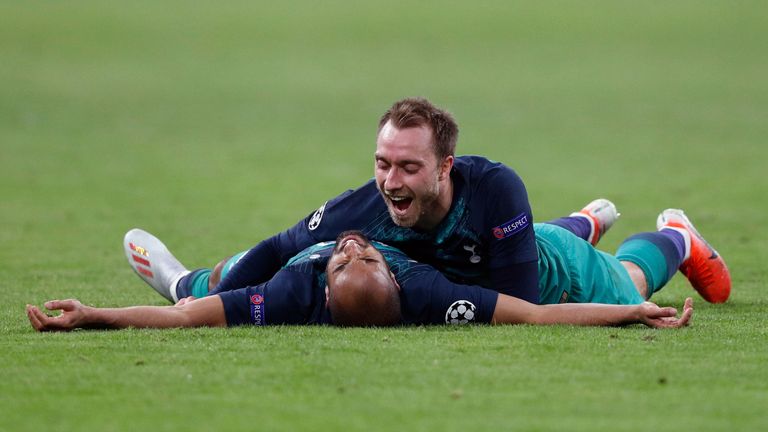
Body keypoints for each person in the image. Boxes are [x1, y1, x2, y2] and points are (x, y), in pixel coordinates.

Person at [27, 203, 729, 331]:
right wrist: (631, 312)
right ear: (396, 280)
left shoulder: (296, 289)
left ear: (322, 290)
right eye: (354, 256)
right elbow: (542, 315)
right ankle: (672, 235)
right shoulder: (425, 292)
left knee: (216, 290)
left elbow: (187, 322)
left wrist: (97, 318)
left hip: (520, 247)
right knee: (623, 281)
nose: (352, 246)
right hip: (521, 255)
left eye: (347, 258)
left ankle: (617, 228)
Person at [194, 97, 546, 303]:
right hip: (503, 253)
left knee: (552, 238)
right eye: (382, 164)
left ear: (444, 167)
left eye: (408, 167)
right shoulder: (363, 209)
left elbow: (521, 306)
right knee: (249, 265)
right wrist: (203, 308)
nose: (391, 183)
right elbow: (276, 248)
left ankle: (582, 222)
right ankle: (188, 284)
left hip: (555, 264)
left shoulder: (495, 191)